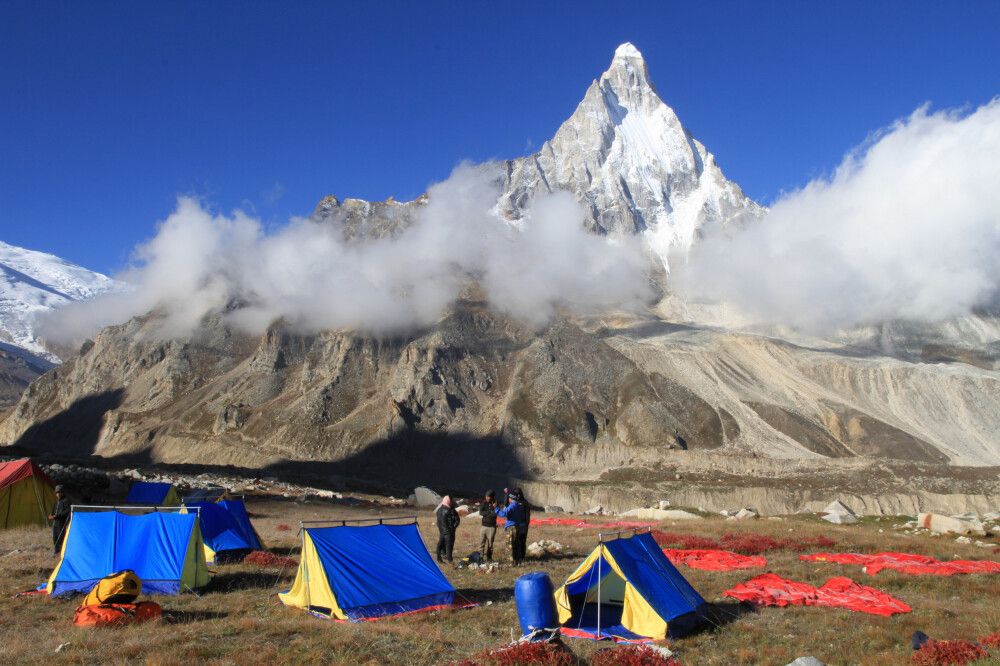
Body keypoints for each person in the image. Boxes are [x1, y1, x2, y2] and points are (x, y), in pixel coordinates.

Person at [496, 488, 530, 565]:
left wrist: (496, 509)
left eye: (509, 498)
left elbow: (503, 514)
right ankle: (518, 560)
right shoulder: (519, 505)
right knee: (517, 544)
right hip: (518, 526)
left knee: (510, 544)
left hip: (511, 527)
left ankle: (511, 561)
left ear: (511, 498)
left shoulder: (512, 506)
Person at [435, 495, 460, 564]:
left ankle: (439, 559)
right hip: (448, 532)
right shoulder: (448, 510)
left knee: (439, 545)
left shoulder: (439, 510)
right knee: (449, 546)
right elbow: (450, 522)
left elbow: (438, 521)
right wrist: (452, 529)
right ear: (448, 501)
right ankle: (450, 561)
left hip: (442, 531)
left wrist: (441, 528)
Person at [48, 485, 71, 555]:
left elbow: (67, 511)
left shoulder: (66, 501)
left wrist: (57, 516)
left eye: (59, 492)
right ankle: (56, 551)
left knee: (61, 538)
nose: (57, 494)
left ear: (62, 492)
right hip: (55, 523)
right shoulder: (57, 502)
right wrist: (51, 515)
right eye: (56, 492)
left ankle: (62, 552)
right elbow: (53, 510)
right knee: (55, 537)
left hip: (61, 523)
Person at [478, 490, 498, 561]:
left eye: (488, 497)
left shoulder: (495, 504)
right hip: (483, 526)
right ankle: (480, 557)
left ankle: (489, 558)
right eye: (486, 496)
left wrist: (489, 512)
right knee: (481, 543)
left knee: (490, 544)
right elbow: (481, 512)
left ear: (492, 497)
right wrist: (490, 511)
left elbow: (495, 514)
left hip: (492, 527)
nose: (487, 498)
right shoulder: (484, 503)